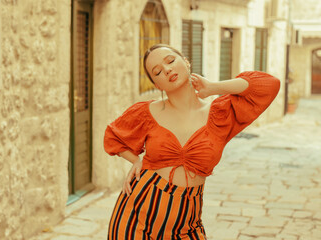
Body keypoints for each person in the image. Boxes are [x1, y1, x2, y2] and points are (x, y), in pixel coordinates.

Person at [103, 44, 280, 239]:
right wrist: (135, 160)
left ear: (186, 62)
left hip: (187, 222)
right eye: (158, 72)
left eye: (170, 61)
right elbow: (113, 136)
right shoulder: (146, 112)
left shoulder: (220, 113)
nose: (167, 69)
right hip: (137, 217)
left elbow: (268, 85)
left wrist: (213, 87)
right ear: (157, 85)